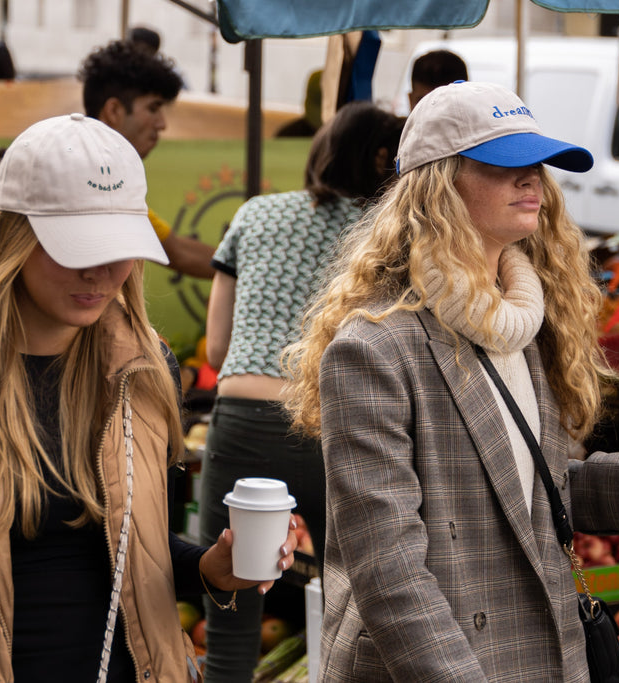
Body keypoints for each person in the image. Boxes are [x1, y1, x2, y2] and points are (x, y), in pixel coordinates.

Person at [0, 113, 297, 681]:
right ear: (15, 236)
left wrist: (214, 568)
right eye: (77, 246)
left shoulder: (144, 369)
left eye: (119, 244)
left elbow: (130, 550)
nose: (101, 270)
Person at [281, 81, 619, 682]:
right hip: (437, 664)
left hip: (537, 650)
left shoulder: (522, 323)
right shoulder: (373, 348)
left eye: (536, 163)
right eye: (505, 163)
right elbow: (389, 568)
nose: (533, 179)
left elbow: (517, 495)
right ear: (438, 185)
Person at [199, 101, 404, 683]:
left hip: (243, 415)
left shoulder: (255, 215)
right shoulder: (385, 236)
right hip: (336, 421)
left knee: (231, 600)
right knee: (356, 600)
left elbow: (216, 352)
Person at [78, 39, 216, 279]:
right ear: (114, 111)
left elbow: (176, 250)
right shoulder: (88, 176)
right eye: (153, 109)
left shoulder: (109, 177)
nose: (162, 124)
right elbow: (179, 254)